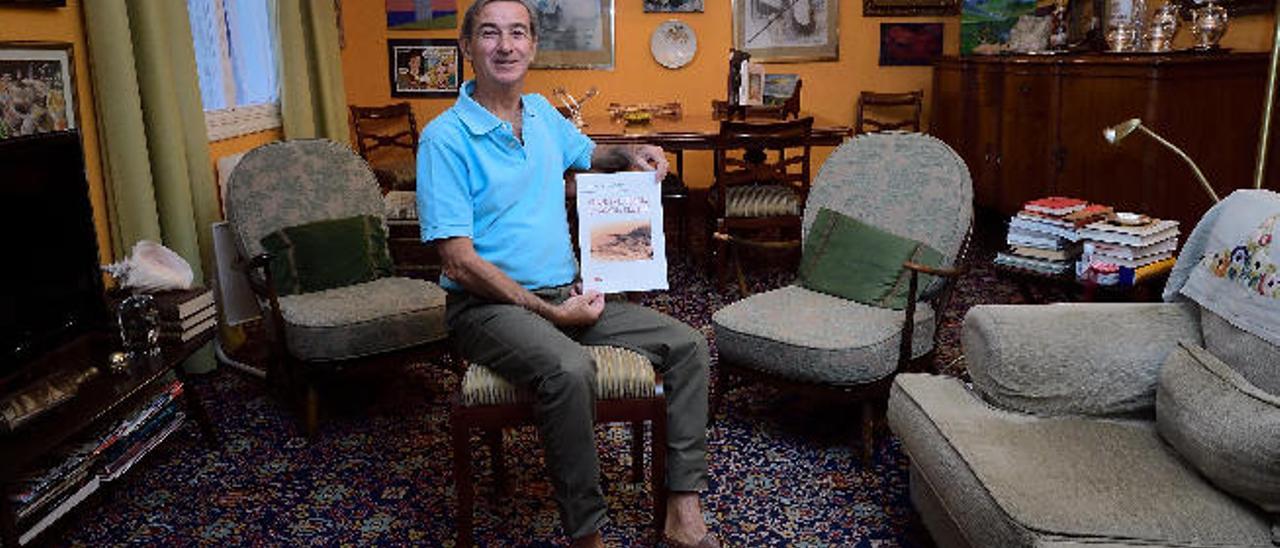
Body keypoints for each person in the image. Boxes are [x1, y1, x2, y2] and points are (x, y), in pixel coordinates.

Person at [416, 1, 719, 547]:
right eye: (489, 33)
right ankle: (586, 534)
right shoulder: (445, 138)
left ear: (533, 45)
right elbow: (457, 260)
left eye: (517, 33)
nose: (505, 45)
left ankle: (682, 504)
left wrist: (637, 153)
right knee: (569, 369)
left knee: (690, 345)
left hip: (566, 293)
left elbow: (593, 157)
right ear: (467, 47)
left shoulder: (540, 114)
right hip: (487, 309)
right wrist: (551, 312)